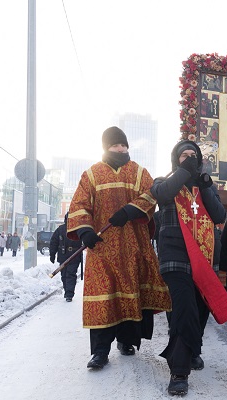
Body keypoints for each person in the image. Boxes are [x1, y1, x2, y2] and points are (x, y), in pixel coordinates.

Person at [67, 126, 171, 370]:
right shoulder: (91, 174)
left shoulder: (138, 172)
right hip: (101, 249)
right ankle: (100, 351)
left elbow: (151, 194)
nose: (120, 149)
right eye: (115, 145)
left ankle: (127, 341)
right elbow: (79, 204)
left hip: (133, 245)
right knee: (103, 297)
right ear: (106, 147)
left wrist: (130, 210)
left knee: (130, 291)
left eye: (123, 145)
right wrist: (85, 231)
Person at [150, 139, 227, 396]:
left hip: (204, 257)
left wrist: (204, 186)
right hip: (176, 256)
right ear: (176, 159)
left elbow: (219, 216)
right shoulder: (165, 180)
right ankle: (179, 371)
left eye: (193, 155)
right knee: (184, 309)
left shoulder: (205, 186)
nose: (190, 157)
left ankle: (193, 349)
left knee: (200, 309)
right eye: (184, 155)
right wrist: (184, 171)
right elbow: (161, 195)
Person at [49, 213, 83, 302]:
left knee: (71, 274)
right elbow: (54, 242)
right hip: (63, 255)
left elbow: (85, 239)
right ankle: (67, 291)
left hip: (75, 255)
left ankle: (69, 294)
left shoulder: (78, 229)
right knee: (64, 274)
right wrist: (52, 254)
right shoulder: (60, 230)